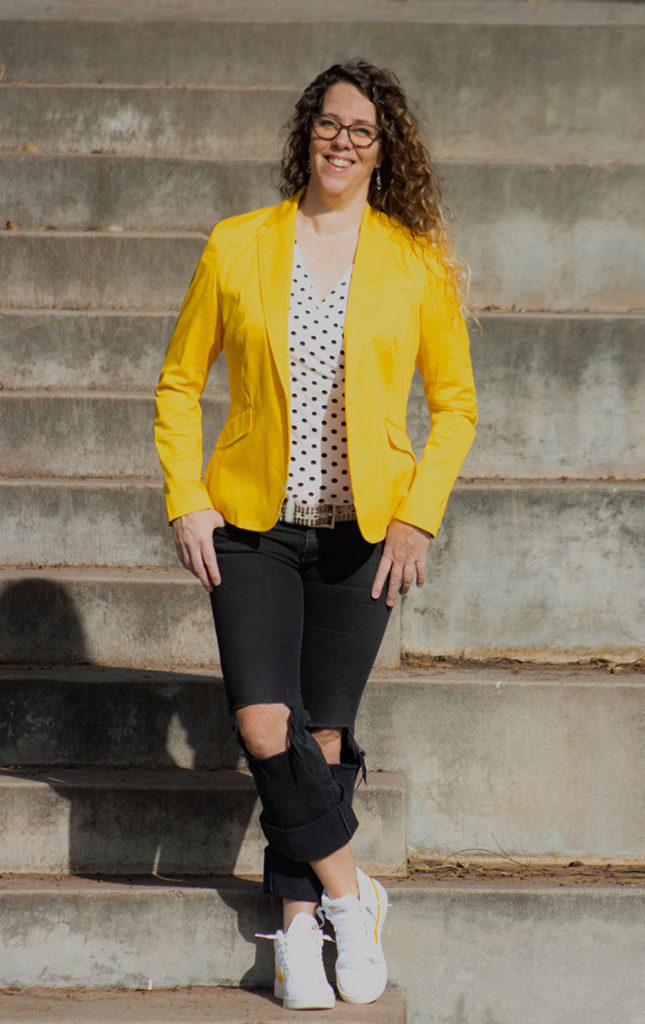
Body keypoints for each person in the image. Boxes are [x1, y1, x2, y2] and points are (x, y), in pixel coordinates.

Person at [154, 60, 476, 1011]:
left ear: (386, 150)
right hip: (251, 523)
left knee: (324, 736)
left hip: (361, 534)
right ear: (307, 135)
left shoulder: (413, 261)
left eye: (362, 131)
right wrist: (185, 493)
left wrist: (419, 511)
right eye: (329, 125)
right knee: (264, 721)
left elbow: (453, 405)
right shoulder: (236, 244)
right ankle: (350, 891)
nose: (342, 142)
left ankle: (296, 935)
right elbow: (179, 383)